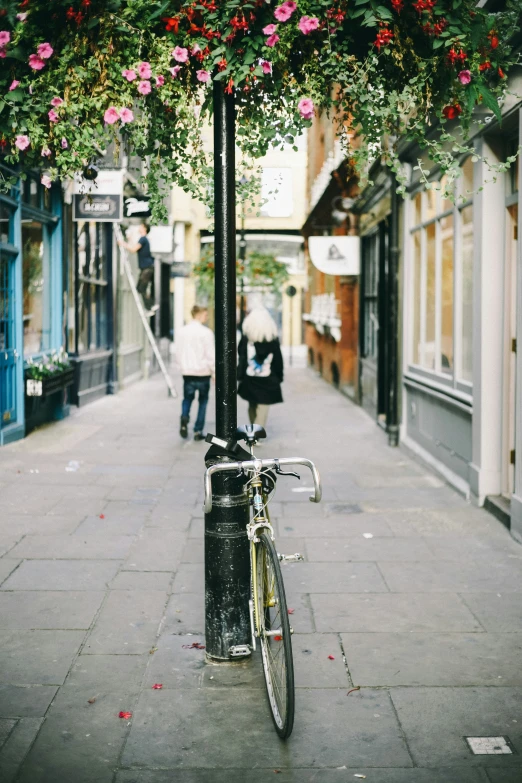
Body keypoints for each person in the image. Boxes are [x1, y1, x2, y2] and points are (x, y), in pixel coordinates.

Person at [237, 306, 284, 429]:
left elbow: (241, 356)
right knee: (263, 406)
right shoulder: (273, 340)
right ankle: (256, 432)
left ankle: (254, 430)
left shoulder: (246, 340)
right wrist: (279, 376)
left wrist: (239, 374)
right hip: (267, 378)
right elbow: (278, 360)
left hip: (249, 377)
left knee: (252, 404)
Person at [176, 305, 215, 441]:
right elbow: (210, 354)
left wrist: (182, 367)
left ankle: (185, 417)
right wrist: (214, 372)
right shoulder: (206, 333)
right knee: (203, 401)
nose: (207, 317)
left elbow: (178, 352)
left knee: (187, 398)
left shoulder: (182, 332)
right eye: (205, 315)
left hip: (188, 372)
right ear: (198, 315)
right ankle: (198, 430)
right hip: (203, 372)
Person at [118, 222, 158, 316]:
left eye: (141, 226)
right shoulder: (143, 240)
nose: (139, 228)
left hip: (147, 268)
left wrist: (122, 243)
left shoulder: (143, 239)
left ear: (144, 228)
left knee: (141, 288)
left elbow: (133, 249)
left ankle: (150, 307)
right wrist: (130, 239)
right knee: (140, 288)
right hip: (147, 268)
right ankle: (151, 306)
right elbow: (134, 247)